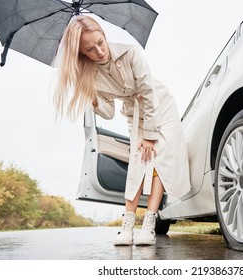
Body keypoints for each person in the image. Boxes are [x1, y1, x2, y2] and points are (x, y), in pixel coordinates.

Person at [54, 15, 191, 246]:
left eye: (100, 42)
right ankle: (127, 225)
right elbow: (108, 112)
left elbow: (148, 92)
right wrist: (93, 98)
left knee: (159, 158)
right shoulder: (90, 75)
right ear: (82, 53)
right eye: (90, 49)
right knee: (138, 161)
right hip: (132, 111)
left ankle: (148, 222)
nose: (99, 51)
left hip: (158, 104)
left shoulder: (130, 53)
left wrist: (149, 137)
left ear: (104, 36)